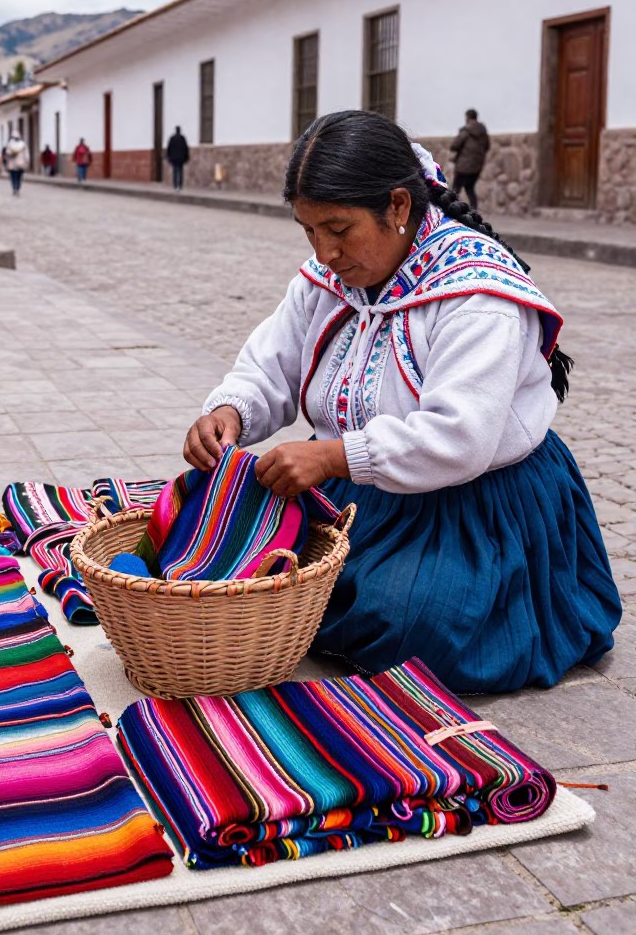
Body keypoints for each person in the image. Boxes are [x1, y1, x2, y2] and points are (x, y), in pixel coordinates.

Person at [183, 111, 620, 694]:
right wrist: (230, 410)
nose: (325, 251)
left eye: (339, 229)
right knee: (228, 552)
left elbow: (459, 439)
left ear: (398, 206)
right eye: (309, 230)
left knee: (406, 626)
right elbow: (272, 364)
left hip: (471, 502)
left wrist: (334, 458)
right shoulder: (326, 277)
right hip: (357, 485)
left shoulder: (478, 292)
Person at [449, 108, 490, 210]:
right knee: (470, 188)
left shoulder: (466, 131)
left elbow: (455, 145)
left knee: (455, 189)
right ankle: (474, 210)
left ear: (468, 117)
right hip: (476, 166)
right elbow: (487, 146)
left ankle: (451, 211)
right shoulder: (483, 132)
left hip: (463, 166)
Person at [5, 130, 29, 195]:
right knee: (19, 177)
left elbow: (7, 153)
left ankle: (15, 188)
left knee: (14, 177)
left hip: (12, 164)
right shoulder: (23, 144)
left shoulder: (9, 144)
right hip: (20, 164)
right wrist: (26, 161)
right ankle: (17, 188)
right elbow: (26, 154)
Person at [166, 125, 190, 191]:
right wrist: (186, 157)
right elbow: (186, 149)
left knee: (175, 171)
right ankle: (180, 185)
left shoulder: (172, 138)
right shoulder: (182, 138)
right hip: (181, 158)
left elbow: (169, 149)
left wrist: (168, 157)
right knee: (180, 171)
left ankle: (175, 185)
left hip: (174, 158)